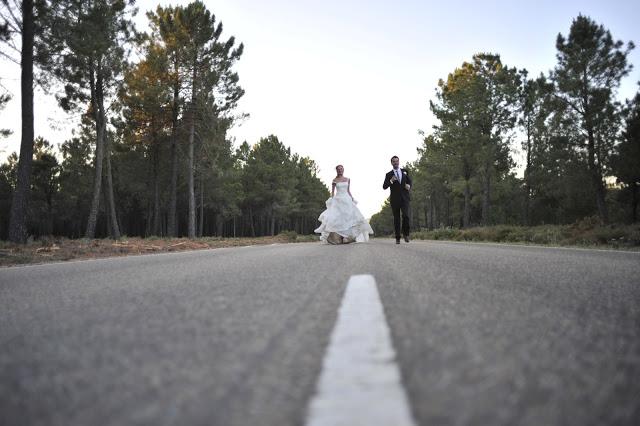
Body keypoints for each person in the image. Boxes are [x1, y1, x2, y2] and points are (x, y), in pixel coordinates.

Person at [315, 165, 374, 244]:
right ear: (336, 171)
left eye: (341, 169)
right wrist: (332, 200)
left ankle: (347, 236)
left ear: (343, 170)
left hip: (347, 199)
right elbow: (333, 192)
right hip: (338, 200)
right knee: (338, 218)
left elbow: (348, 190)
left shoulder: (347, 179)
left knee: (348, 217)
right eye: (338, 169)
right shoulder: (334, 180)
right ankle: (337, 236)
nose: (340, 170)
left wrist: (352, 197)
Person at [383, 155, 412, 244]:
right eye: (394, 161)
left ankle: (406, 235)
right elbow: (384, 186)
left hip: (405, 198)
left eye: (397, 161)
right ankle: (398, 237)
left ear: (399, 162)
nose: (396, 162)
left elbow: (409, 181)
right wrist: (391, 181)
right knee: (396, 219)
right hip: (395, 199)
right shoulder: (389, 174)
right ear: (391, 163)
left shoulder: (405, 171)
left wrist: (409, 186)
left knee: (406, 216)